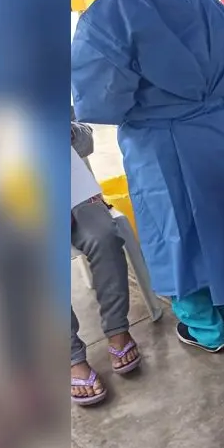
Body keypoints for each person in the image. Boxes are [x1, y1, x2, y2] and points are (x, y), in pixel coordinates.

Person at [71, 0, 224, 353]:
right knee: (218, 217)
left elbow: (101, 99)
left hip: (157, 143)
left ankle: (203, 325)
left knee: (174, 227)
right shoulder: (211, 7)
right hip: (212, 134)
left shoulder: (111, 13)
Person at [70, 114, 140, 406]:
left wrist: (69, 132)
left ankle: (117, 330)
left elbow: (87, 141)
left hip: (73, 192)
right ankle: (71, 357)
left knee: (104, 237)